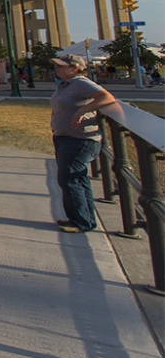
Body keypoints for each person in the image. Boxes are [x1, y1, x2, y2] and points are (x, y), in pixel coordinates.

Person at [50, 54, 116, 233]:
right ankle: (83, 218)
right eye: (57, 66)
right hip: (64, 137)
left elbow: (106, 97)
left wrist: (83, 110)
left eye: (61, 66)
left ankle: (80, 222)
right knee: (77, 179)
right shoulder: (63, 84)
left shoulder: (81, 83)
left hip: (79, 140)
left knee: (70, 179)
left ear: (75, 68)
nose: (57, 68)